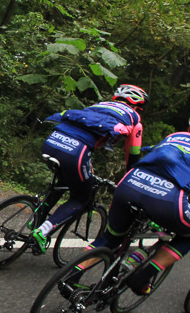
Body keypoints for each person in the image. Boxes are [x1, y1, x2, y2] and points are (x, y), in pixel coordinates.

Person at [73, 107, 190, 295]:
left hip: (129, 184)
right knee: (189, 235)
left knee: (110, 237)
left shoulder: (175, 136)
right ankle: (142, 277)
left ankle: (72, 275)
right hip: (168, 199)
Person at [30, 84, 148, 253]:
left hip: (52, 140)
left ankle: (37, 217)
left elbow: (81, 130)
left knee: (63, 180)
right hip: (76, 151)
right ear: (136, 105)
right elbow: (133, 155)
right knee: (81, 198)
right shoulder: (134, 119)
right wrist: (131, 177)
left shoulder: (97, 106)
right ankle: (42, 231)